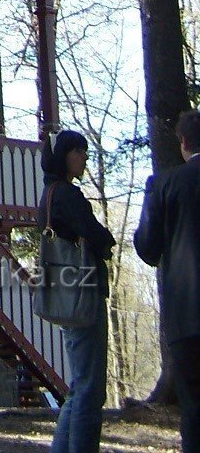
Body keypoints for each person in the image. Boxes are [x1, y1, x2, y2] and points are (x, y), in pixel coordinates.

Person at [38, 128, 115, 453]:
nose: (83, 157)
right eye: (78, 151)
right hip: (84, 292)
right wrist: (107, 242)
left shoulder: (50, 194)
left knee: (80, 385)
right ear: (63, 156)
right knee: (90, 388)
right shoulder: (68, 195)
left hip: (68, 292)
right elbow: (92, 232)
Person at [134, 109, 200, 453]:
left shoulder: (164, 184)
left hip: (187, 318)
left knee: (194, 410)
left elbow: (147, 247)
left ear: (183, 143)